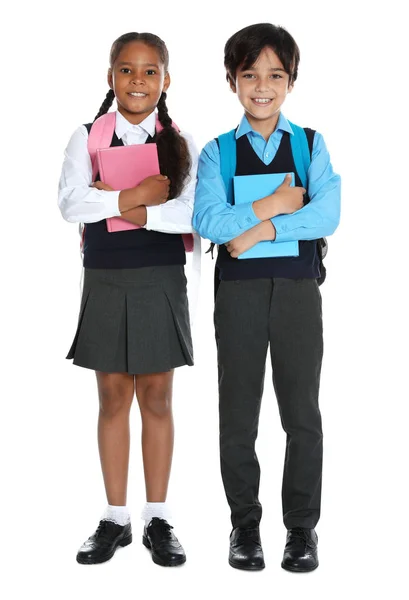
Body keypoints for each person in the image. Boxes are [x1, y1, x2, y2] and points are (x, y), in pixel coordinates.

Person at [193, 22, 341, 572]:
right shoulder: (217, 154)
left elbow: (327, 213)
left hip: (299, 291)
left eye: (275, 75)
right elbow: (209, 219)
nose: (262, 86)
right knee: (238, 415)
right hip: (239, 295)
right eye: (250, 74)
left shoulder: (309, 144)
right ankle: (245, 527)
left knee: (302, 414)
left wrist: (256, 230)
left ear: (291, 81)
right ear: (232, 80)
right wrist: (277, 203)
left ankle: (301, 531)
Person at [58, 31, 198, 567]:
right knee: (113, 397)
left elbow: (189, 215)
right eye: (126, 70)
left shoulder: (181, 141)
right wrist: (133, 197)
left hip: (161, 278)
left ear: (165, 81)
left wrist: (114, 207)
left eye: (149, 71)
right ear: (110, 77)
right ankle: (115, 518)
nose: (137, 81)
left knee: (158, 398)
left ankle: (157, 517)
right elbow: (71, 204)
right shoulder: (87, 137)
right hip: (107, 276)